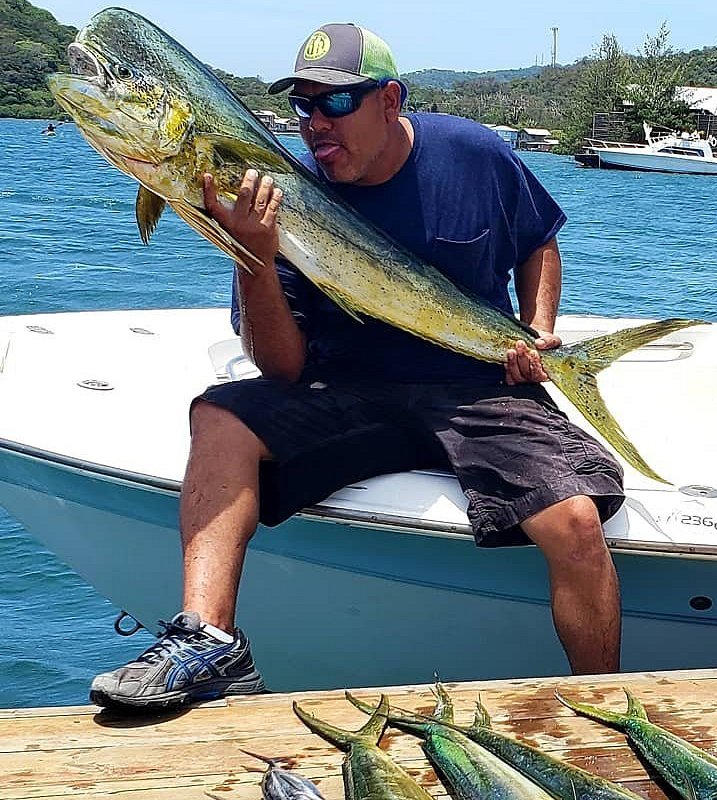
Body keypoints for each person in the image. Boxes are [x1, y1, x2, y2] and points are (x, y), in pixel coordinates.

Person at [89, 23, 625, 711]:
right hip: (348, 389)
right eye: (303, 107)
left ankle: (607, 705)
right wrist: (251, 251)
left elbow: (539, 243)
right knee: (220, 415)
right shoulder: (277, 190)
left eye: (336, 103)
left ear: (391, 99)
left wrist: (539, 330)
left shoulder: (473, 152)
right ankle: (208, 639)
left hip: (478, 387)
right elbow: (282, 367)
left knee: (576, 523)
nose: (315, 124)